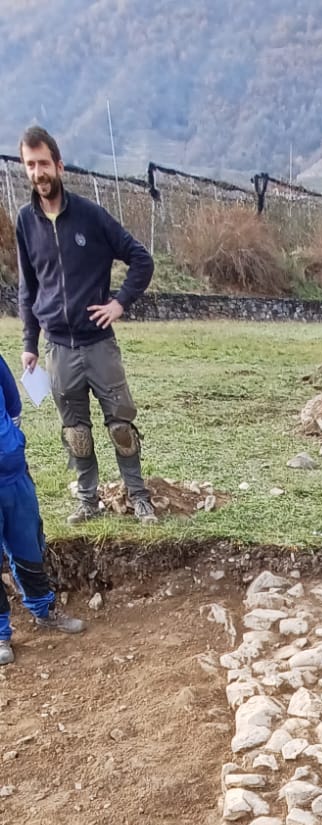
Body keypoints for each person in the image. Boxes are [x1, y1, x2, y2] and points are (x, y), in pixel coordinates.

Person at [16, 125, 157, 526]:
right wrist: (30, 343)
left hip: (99, 344)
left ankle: (138, 496)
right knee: (75, 432)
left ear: (59, 166)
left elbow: (141, 259)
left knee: (121, 426)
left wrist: (119, 303)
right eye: (30, 165)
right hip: (58, 348)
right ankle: (87, 500)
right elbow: (28, 287)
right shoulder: (25, 222)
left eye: (44, 163)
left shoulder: (91, 216)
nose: (38, 172)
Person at [0, 351, 85, 665]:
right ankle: (1, 633)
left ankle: (44, 610)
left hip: (14, 477)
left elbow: (13, 404)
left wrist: (12, 444)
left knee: (28, 547)